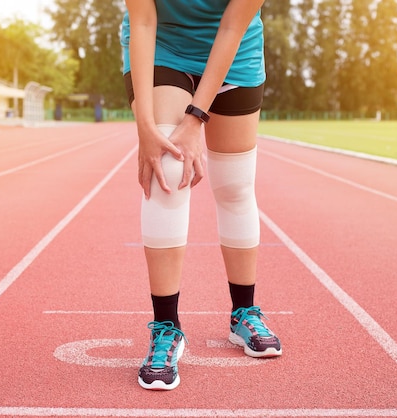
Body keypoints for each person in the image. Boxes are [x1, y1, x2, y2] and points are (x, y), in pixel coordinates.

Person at [121, 0, 282, 391]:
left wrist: (196, 118)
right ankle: (166, 328)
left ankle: (244, 312)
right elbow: (142, 20)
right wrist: (144, 127)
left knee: (235, 184)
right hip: (163, 46)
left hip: (235, 49)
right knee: (169, 170)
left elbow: (231, 27)